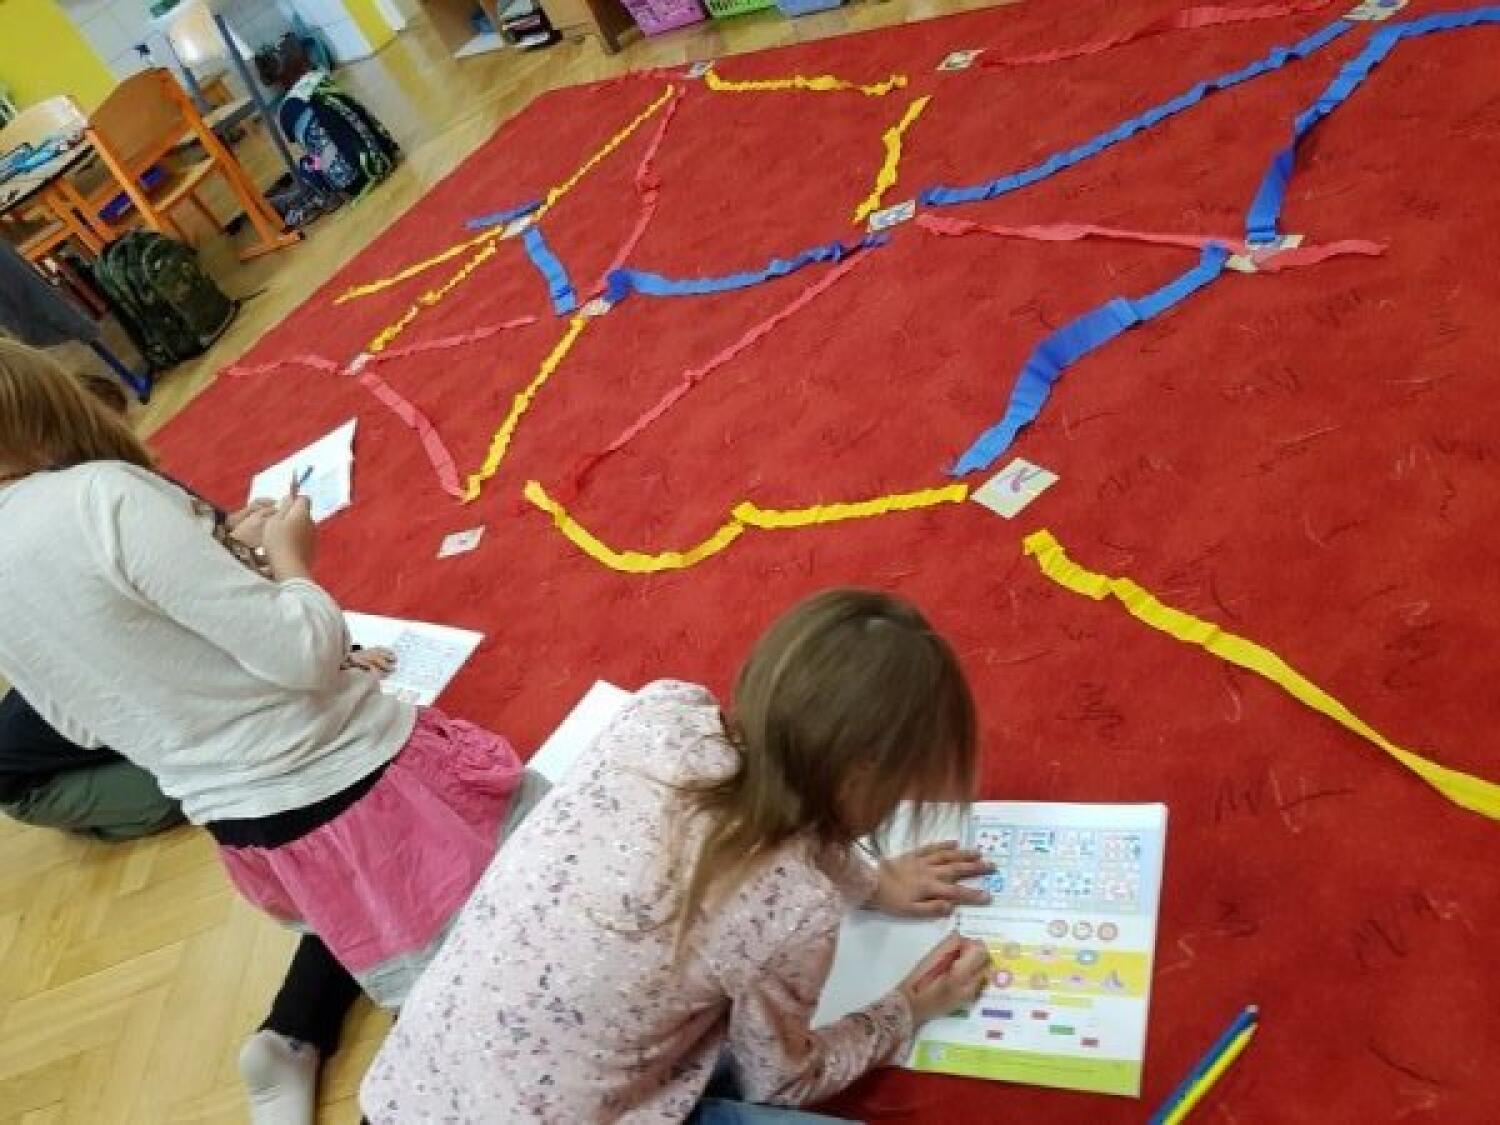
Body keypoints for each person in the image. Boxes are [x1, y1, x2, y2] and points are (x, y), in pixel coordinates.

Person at [0, 339, 547, 1015]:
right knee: (536, 918)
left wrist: (219, 562)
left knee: (451, 984)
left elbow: (80, 722)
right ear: (51, 404)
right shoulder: (102, 496)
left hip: (251, 832)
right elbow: (304, 655)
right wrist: (291, 561)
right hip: (353, 782)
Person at [363, 588, 997, 1123]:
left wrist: (874, 884)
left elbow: (784, 798)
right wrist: (905, 1009)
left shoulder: (662, 711)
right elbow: (782, 1081)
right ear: (862, 778)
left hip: (398, 1094)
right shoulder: (795, 907)